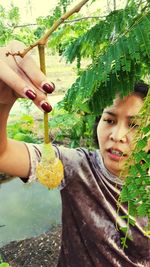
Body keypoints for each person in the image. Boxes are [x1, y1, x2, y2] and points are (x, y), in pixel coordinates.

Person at [0, 40, 149, 267]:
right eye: (109, 120)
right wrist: (2, 103)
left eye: (135, 126)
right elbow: (3, 155)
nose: (118, 135)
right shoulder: (76, 165)